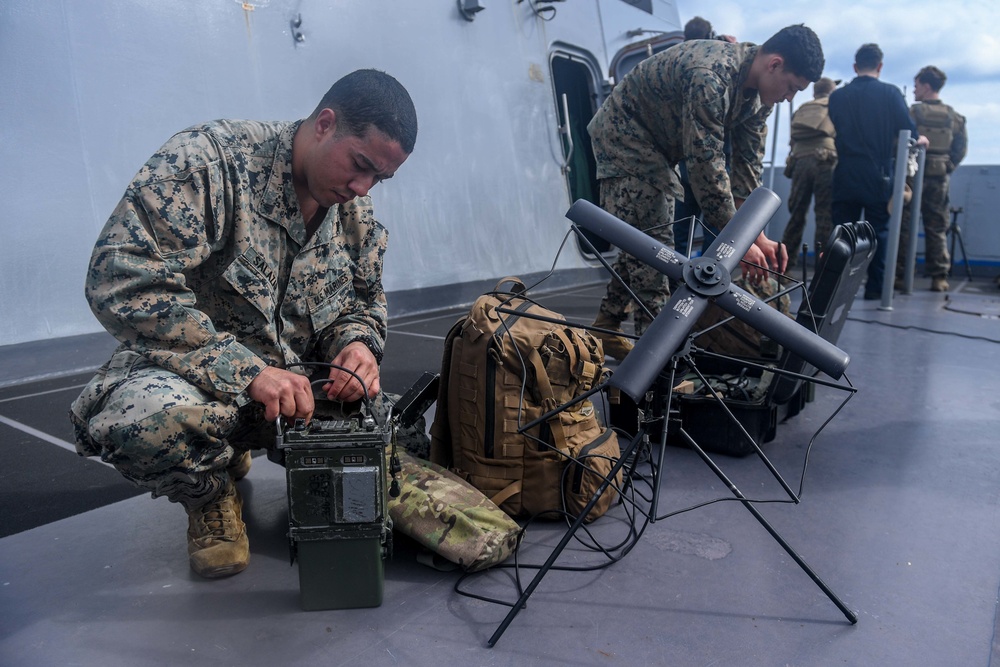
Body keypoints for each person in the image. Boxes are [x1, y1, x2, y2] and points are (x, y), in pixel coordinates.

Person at [69, 69, 418, 578]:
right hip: (207, 387)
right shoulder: (208, 163)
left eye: (379, 179)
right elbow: (121, 279)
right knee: (144, 419)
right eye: (360, 165)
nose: (363, 188)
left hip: (300, 397)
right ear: (325, 124)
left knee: (401, 441)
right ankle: (210, 492)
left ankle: (256, 453)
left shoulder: (353, 212)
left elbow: (362, 300)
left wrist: (358, 345)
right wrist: (246, 372)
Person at [587, 24, 823, 359]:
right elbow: (705, 169)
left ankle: (607, 325)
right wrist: (738, 243)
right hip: (627, 139)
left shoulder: (758, 96)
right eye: (791, 87)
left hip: (660, 149)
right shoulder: (710, 77)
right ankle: (655, 362)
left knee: (644, 236)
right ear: (774, 64)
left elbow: (746, 173)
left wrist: (758, 238)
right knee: (656, 251)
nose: (789, 97)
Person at [828, 43, 927, 300]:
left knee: (843, 233)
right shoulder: (891, 94)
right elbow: (908, 133)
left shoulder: (837, 96)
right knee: (879, 233)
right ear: (880, 66)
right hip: (878, 175)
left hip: (846, 172)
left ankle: (835, 290)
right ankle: (875, 290)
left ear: (855, 66)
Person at [897, 65, 967, 292]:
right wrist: (948, 166)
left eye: (917, 85)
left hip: (912, 176)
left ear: (926, 86)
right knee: (937, 227)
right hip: (939, 179)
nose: (915, 90)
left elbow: (900, 141)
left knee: (905, 226)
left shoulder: (913, 112)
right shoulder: (953, 116)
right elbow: (960, 147)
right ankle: (939, 277)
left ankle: (901, 274)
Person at [782, 76, 838, 270]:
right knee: (824, 215)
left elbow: (792, 141)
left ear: (814, 92)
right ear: (831, 91)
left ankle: (785, 266)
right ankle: (823, 270)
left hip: (800, 162)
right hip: (825, 161)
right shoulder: (834, 106)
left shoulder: (802, 109)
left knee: (796, 213)